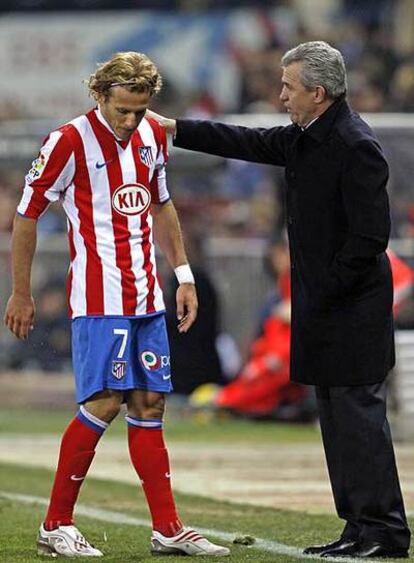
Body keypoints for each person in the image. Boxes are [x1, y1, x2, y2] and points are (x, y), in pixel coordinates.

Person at [148, 41, 411, 559]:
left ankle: (386, 531)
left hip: (352, 310)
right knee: (336, 421)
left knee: (360, 421)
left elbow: (369, 239)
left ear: (318, 92)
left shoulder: (356, 144)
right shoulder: (307, 137)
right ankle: (358, 527)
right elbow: (245, 140)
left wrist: (326, 291)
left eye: (288, 86)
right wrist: (176, 128)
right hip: (326, 308)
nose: (281, 95)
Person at [4, 52, 229, 558]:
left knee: (150, 404)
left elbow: (162, 203)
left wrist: (184, 275)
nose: (131, 121)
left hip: (148, 294)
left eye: (140, 110)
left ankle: (167, 529)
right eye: (122, 110)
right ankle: (55, 524)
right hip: (99, 296)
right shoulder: (67, 141)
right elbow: (26, 215)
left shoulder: (152, 134)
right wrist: (20, 291)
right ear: (100, 95)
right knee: (105, 401)